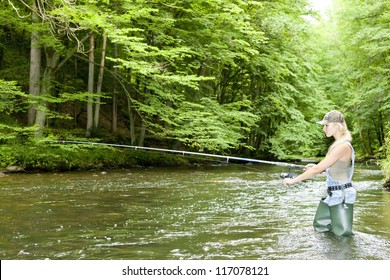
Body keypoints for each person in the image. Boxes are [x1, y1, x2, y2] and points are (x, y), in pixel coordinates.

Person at [283, 110, 356, 236]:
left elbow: (317, 170)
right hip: (332, 194)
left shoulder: (342, 146)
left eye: (326, 125)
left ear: (337, 126)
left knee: (342, 235)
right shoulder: (337, 145)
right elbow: (335, 170)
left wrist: (293, 180)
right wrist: (317, 167)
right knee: (321, 227)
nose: (323, 128)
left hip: (341, 197)